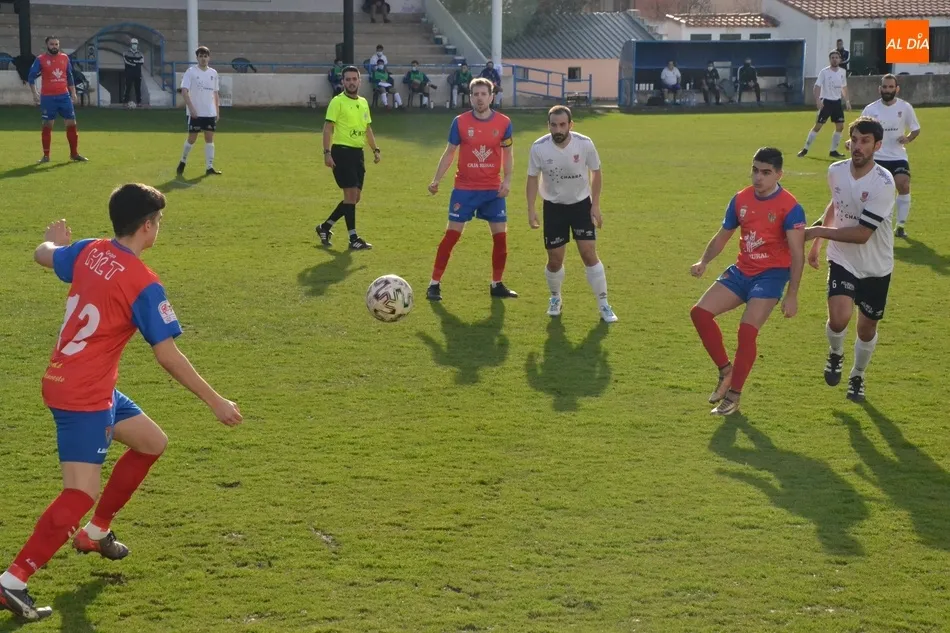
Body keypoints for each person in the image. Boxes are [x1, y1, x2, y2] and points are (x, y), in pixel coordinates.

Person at [0, 184, 242, 623]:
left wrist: (55, 239)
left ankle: (96, 532)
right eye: (159, 222)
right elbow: (167, 355)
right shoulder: (143, 284)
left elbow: (42, 253)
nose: (159, 228)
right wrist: (215, 401)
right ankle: (13, 581)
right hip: (83, 395)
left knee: (151, 442)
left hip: (87, 385)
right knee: (79, 493)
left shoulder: (90, 250)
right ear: (147, 226)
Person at [689, 147, 806, 416]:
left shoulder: (790, 207)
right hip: (743, 271)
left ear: (779, 174)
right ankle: (725, 371)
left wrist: (792, 294)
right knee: (700, 314)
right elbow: (723, 235)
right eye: (755, 170)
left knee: (746, 331)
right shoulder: (740, 199)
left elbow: (797, 255)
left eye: (766, 172)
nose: (758, 178)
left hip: (772, 275)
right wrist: (703, 261)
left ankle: (734, 396)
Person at [806, 117, 895, 403]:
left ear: (877, 145)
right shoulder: (835, 171)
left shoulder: (883, 183)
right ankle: (835, 354)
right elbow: (836, 203)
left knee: (866, 328)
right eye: (854, 139)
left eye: (865, 141)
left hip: (876, 266)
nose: (857, 146)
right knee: (839, 317)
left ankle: (857, 374)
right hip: (842, 258)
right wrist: (818, 244)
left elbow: (862, 234)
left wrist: (817, 230)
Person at [426, 78, 516, 301]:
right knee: (451, 236)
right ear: (470, 96)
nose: (479, 98)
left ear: (491, 96)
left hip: (492, 190)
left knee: (501, 238)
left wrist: (507, 180)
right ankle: (434, 284)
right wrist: (436, 179)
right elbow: (450, 152)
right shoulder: (460, 122)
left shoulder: (504, 123)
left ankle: (497, 284)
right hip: (464, 189)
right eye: (475, 94)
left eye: (484, 94)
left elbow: (508, 154)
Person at [526, 105, 616, 323]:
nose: (558, 129)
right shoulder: (539, 147)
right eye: (554, 125)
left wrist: (595, 205)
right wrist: (531, 209)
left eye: (562, 125)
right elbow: (531, 178)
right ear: (548, 125)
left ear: (570, 125)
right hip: (554, 207)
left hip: (580, 205)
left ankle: (604, 303)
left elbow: (596, 172)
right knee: (555, 260)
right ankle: (555, 297)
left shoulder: (584, 144)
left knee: (588, 253)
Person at [316, 66, 380, 251]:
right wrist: (327, 153)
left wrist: (375, 149)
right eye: (348, 79)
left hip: (357, 154)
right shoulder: (337, 102)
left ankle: (325, 227)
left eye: (354, 79)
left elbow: (367, 128)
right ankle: (353, 238)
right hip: (341, 152)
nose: (351, 82)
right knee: (350, 195)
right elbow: (328, 128)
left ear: (360, 81)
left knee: (355, 197)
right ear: (343, 82)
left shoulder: (364, 102)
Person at [859, 74, 920, 238]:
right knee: (870, 192)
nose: (887, 90)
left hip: (897, 156)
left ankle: (900, 226)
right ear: (880, 89)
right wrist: (852, 143)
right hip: (875, 157)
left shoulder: (905, 107)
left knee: (903, 184)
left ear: (896, 89)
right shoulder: (870, 109)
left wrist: (908, 138)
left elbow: (916, 129)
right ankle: (867, 224)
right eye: (884, 87)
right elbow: (859, 130)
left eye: (890, 87)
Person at [27, 36, 86, 163]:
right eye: (52, 44)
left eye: (56, 44)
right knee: (47, 125)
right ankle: (46, 156)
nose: (54, 46)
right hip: (48, 98)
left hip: (64, 96)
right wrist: (35, 93)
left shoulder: (64, 58)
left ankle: (74, 154)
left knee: (72, 124)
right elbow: (31, 77)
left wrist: (73, 93)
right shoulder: (40, 59)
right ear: (47, 45)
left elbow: (69, 76)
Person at [176, 46, 221, 177]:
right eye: (200, 56)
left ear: (209, 58)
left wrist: (217, 110)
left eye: (205, 56)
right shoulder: (191, 72)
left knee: (209, 138)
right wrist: (191, 108)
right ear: (197, 58)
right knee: (192, 139)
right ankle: (183, 160)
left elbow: (215, 93)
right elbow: (184, 91)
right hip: (195, 112)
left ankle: (209, 167)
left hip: (209, 112)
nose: (203, 58)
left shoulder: (213, 73)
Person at [798, 50, 851, 158]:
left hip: (837, 103)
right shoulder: (824, 72)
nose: (835, 59)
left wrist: (847, 101)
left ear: (840, 59)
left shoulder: (842, 72)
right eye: (832, 57)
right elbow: (817, 86)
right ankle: (805, 149)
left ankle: (833, 151)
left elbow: (844, 87)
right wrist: (818, 100)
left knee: (840, 127)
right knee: (818, 126)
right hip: (826, 102)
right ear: (830, 59)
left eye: (836, 57)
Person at [123, 38, 145, 107]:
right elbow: (127, 62)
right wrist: (135, 63)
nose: (134, 45)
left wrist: (133, 62)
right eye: (133, 44)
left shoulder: (140, 54)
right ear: (131, 44)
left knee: (138, 88)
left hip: (137, 73)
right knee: (128, 87)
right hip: (129, 73)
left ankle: (139, 102)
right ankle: (125, 102)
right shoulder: (126, 53)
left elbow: (142, 61)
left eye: (135, 44)